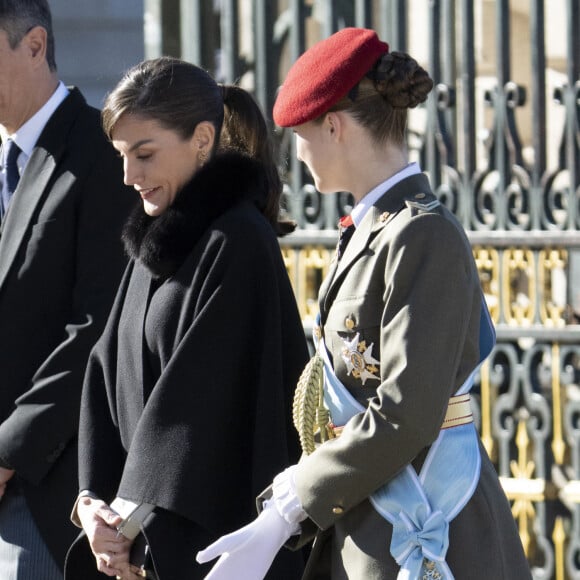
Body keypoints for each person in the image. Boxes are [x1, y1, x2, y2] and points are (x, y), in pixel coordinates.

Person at [196, 27, 532, 579]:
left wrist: (293, 501)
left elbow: (406, 411)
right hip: (370, 518)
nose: (298, 154)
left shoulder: (422, 234)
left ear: (333, 125)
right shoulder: (371, 227)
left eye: (301, 135)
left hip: (427, 526)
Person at [63, 57, 309, 580]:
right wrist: (93, 503)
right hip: (140, 541)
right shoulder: (157, 239)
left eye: (145, 154)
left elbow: (197, 413)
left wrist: (129, 520)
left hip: (208, 550)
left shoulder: (238, 241)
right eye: (122, 156)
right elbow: (105, 372)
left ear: (202, 138)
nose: (129, 176)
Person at [0, 1, 135, 578]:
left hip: (49, 495)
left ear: (34, 45)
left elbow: (98, 327)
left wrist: (6, 453)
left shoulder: (105, 154)